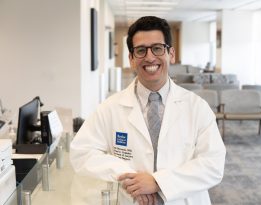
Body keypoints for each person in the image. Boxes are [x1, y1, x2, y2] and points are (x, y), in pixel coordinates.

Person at [70, 16, 226, 205]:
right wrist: (129, 177)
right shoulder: (109, 108)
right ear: (131, 59)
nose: (150, 57)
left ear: (171, 53)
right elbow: (82, 152)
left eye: (158, 48)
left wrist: (159, 182)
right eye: (141, 50)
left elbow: (213, 164)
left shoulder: (197, 107)